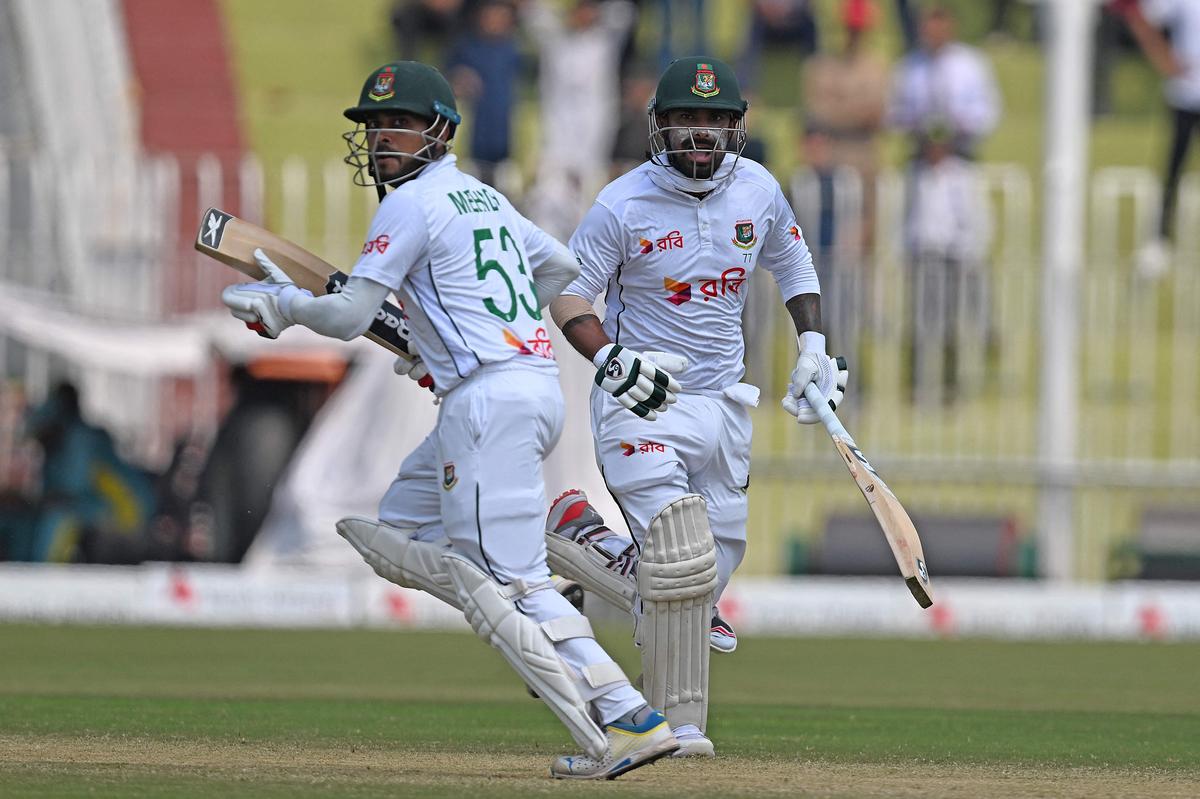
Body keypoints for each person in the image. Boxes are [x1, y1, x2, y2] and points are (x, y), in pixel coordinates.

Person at [219, 61, 677, 779]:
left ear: (440, 131)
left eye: (398, 124)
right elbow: (557, 267)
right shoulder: (483, 199)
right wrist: (464, 334)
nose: (382, 141)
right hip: (515, 390)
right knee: (398, 525)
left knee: (506, 586)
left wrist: (283, 309)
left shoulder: (409, 205)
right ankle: (528, 593)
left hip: (487, 401)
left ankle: (624, 719)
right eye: (373, 128)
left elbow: (346, 315)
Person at [542, 56, 848, 757]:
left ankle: (580, 543)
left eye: (717, 121)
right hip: (644, 399)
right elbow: (567, 296)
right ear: (660, 126)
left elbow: (794, 265)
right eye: (688, 120)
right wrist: (611, 359)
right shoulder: (622, 202)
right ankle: (679, 731)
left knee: (706, 575)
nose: (702, 134)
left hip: (724, 403)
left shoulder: (759, 190)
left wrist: (812, 345)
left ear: (736, 128)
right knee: (681, 572)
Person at [1110, 0, 1200, 277]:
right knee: (1173, 168)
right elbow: (1141, 17)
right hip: (1186, 93)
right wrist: (1163, 58)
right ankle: (1159, 240)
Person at [888, 4, 1002, 161]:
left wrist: (960, 123)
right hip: (920, 154)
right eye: (929, 29)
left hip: (960, 155)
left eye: (939, 29)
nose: (934, 34)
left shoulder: (971, 64)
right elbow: (893, 112)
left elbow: (989, 112)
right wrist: (916, 122)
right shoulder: (909, 66)